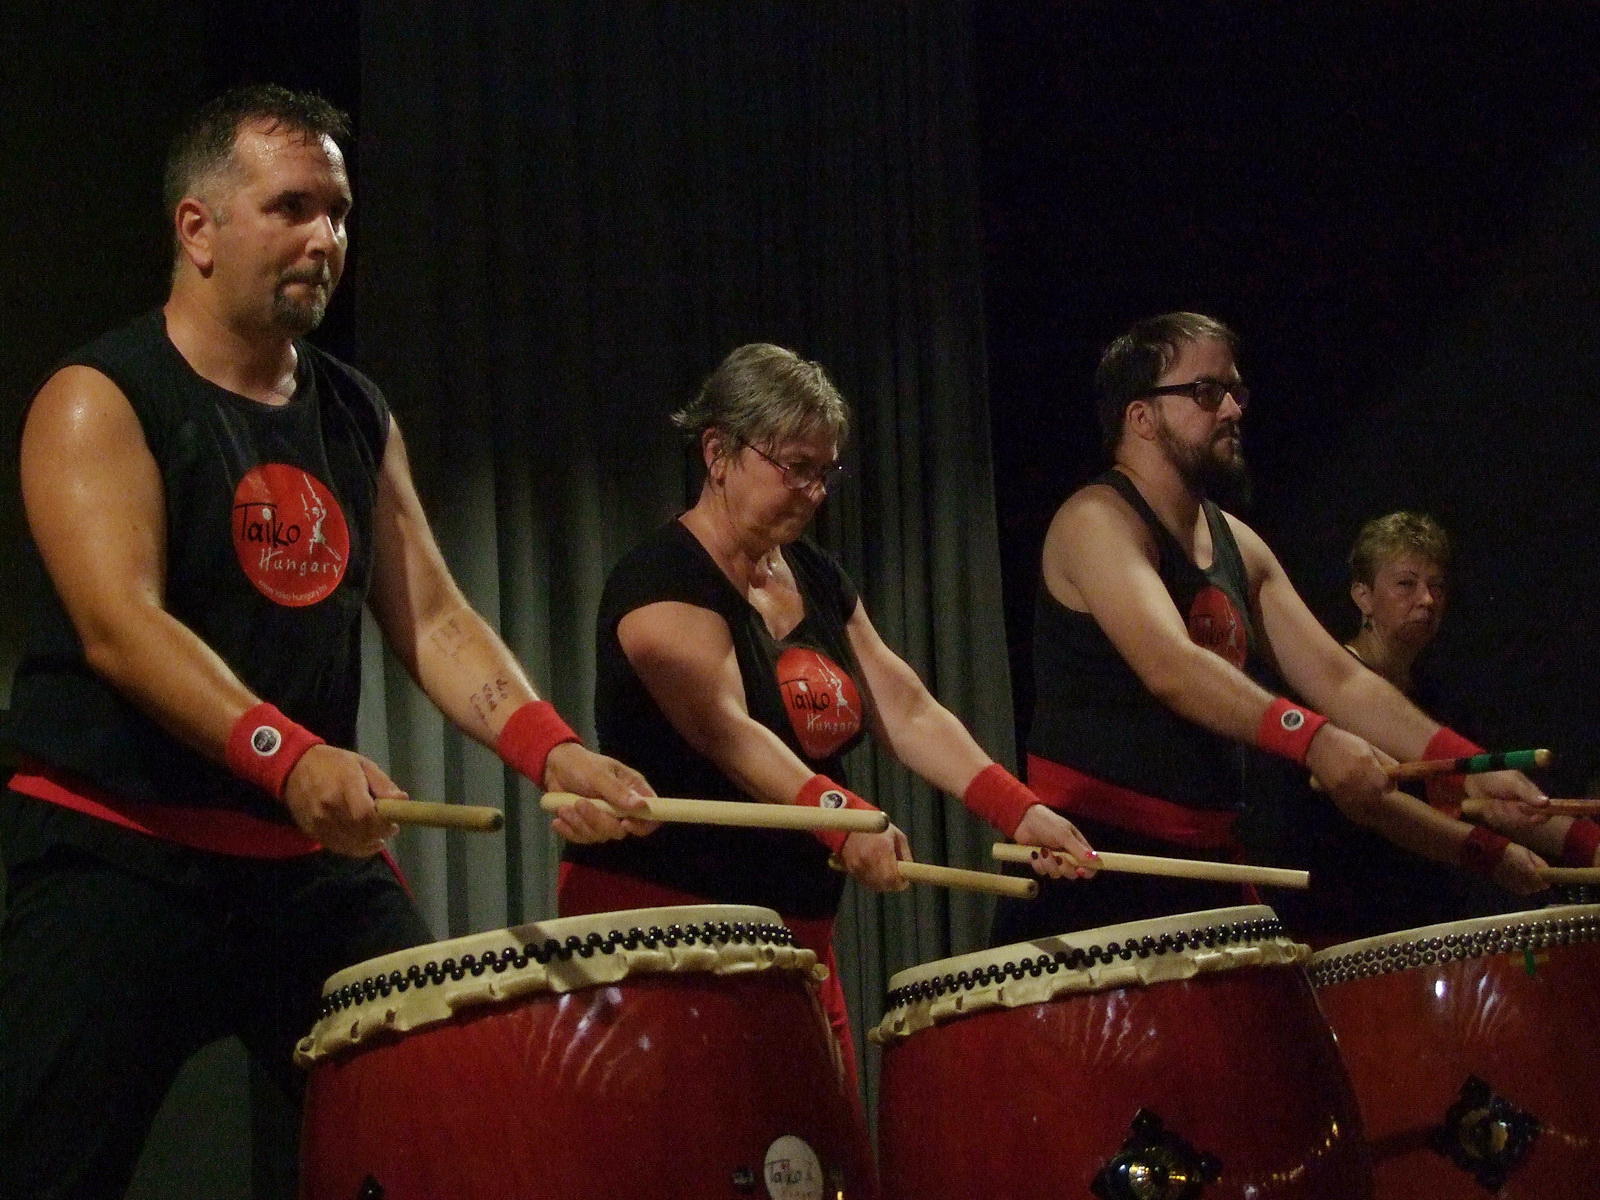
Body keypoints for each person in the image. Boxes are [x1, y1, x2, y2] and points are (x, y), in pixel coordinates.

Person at [0, 85, 652, 1199]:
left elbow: (434, 617)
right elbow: (123, 630)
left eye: (339, 213)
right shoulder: (96, 397)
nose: (326, 239)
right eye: (292, 208)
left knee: (446, 1150)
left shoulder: (354, 411)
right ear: (197, 229)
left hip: (302, 872)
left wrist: (554, 752)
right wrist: (291, 755)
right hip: (119, 853)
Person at [559, 343, 1096, 1078]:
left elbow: (903, 706)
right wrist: (844, 820)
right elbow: (726, 731)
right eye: (795, 467)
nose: (814, 492)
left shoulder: (812, 573)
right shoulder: (660, 580)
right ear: (718, 453)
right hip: (666, 934)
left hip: (795, 934)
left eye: (825, 472)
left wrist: (1016, 808)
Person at [992, 312, 1554, 946]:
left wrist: (1468, 764)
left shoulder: (1237, 543)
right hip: (1095, 867)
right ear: (1140, 417)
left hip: (1205, 869)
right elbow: (1172, 667)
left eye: (1236, 391)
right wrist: (1314, 741)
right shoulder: (1096, 521)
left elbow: (1341, 679)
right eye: (1207, 392)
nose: (1233, 409)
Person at [1265, 511, 1599, 942]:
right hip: (1342, 924)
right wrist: (1488, 852)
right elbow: (1376, 805)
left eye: (1436, 586)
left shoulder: (1440, 701)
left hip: (1427, 923)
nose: (1426, 599)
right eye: (1406, 584)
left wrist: (1587, 843)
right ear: (1363, 595)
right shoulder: (1321, 687)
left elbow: (1496, 797)